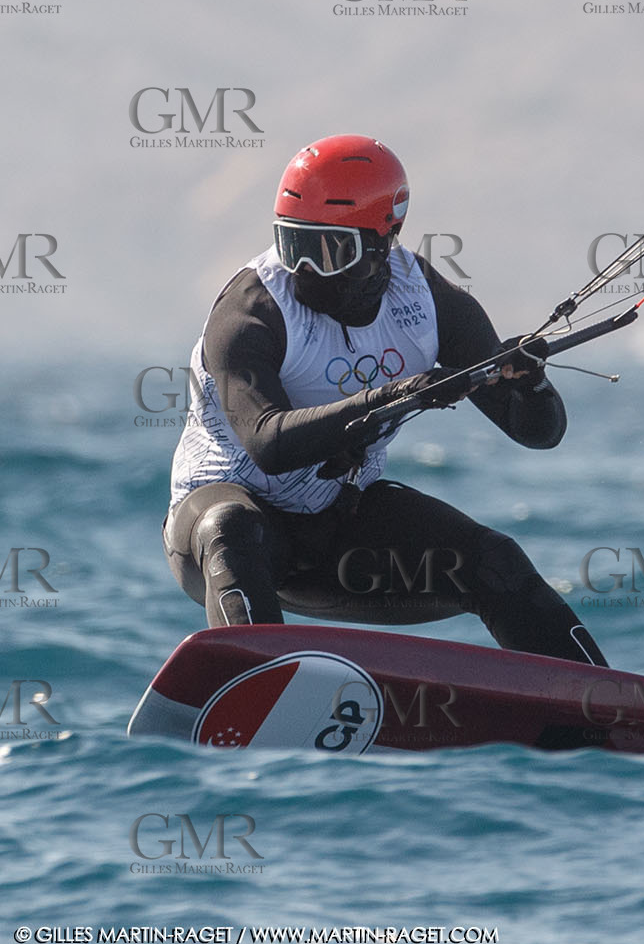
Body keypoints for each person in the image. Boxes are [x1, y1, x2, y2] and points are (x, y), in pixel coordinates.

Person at [162, 134, 608, 667]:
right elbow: (269, 444)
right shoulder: (252, 310)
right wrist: (397, 394)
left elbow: (537, 432)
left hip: (336, 538)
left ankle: (598, 701)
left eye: (329, 252)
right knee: (233, 528)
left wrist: (529, 383)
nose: (306, 271)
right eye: (293, 246)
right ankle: (260, 687)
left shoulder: (428, 303)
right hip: (224, 540)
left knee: (496, 561)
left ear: (383, 241)